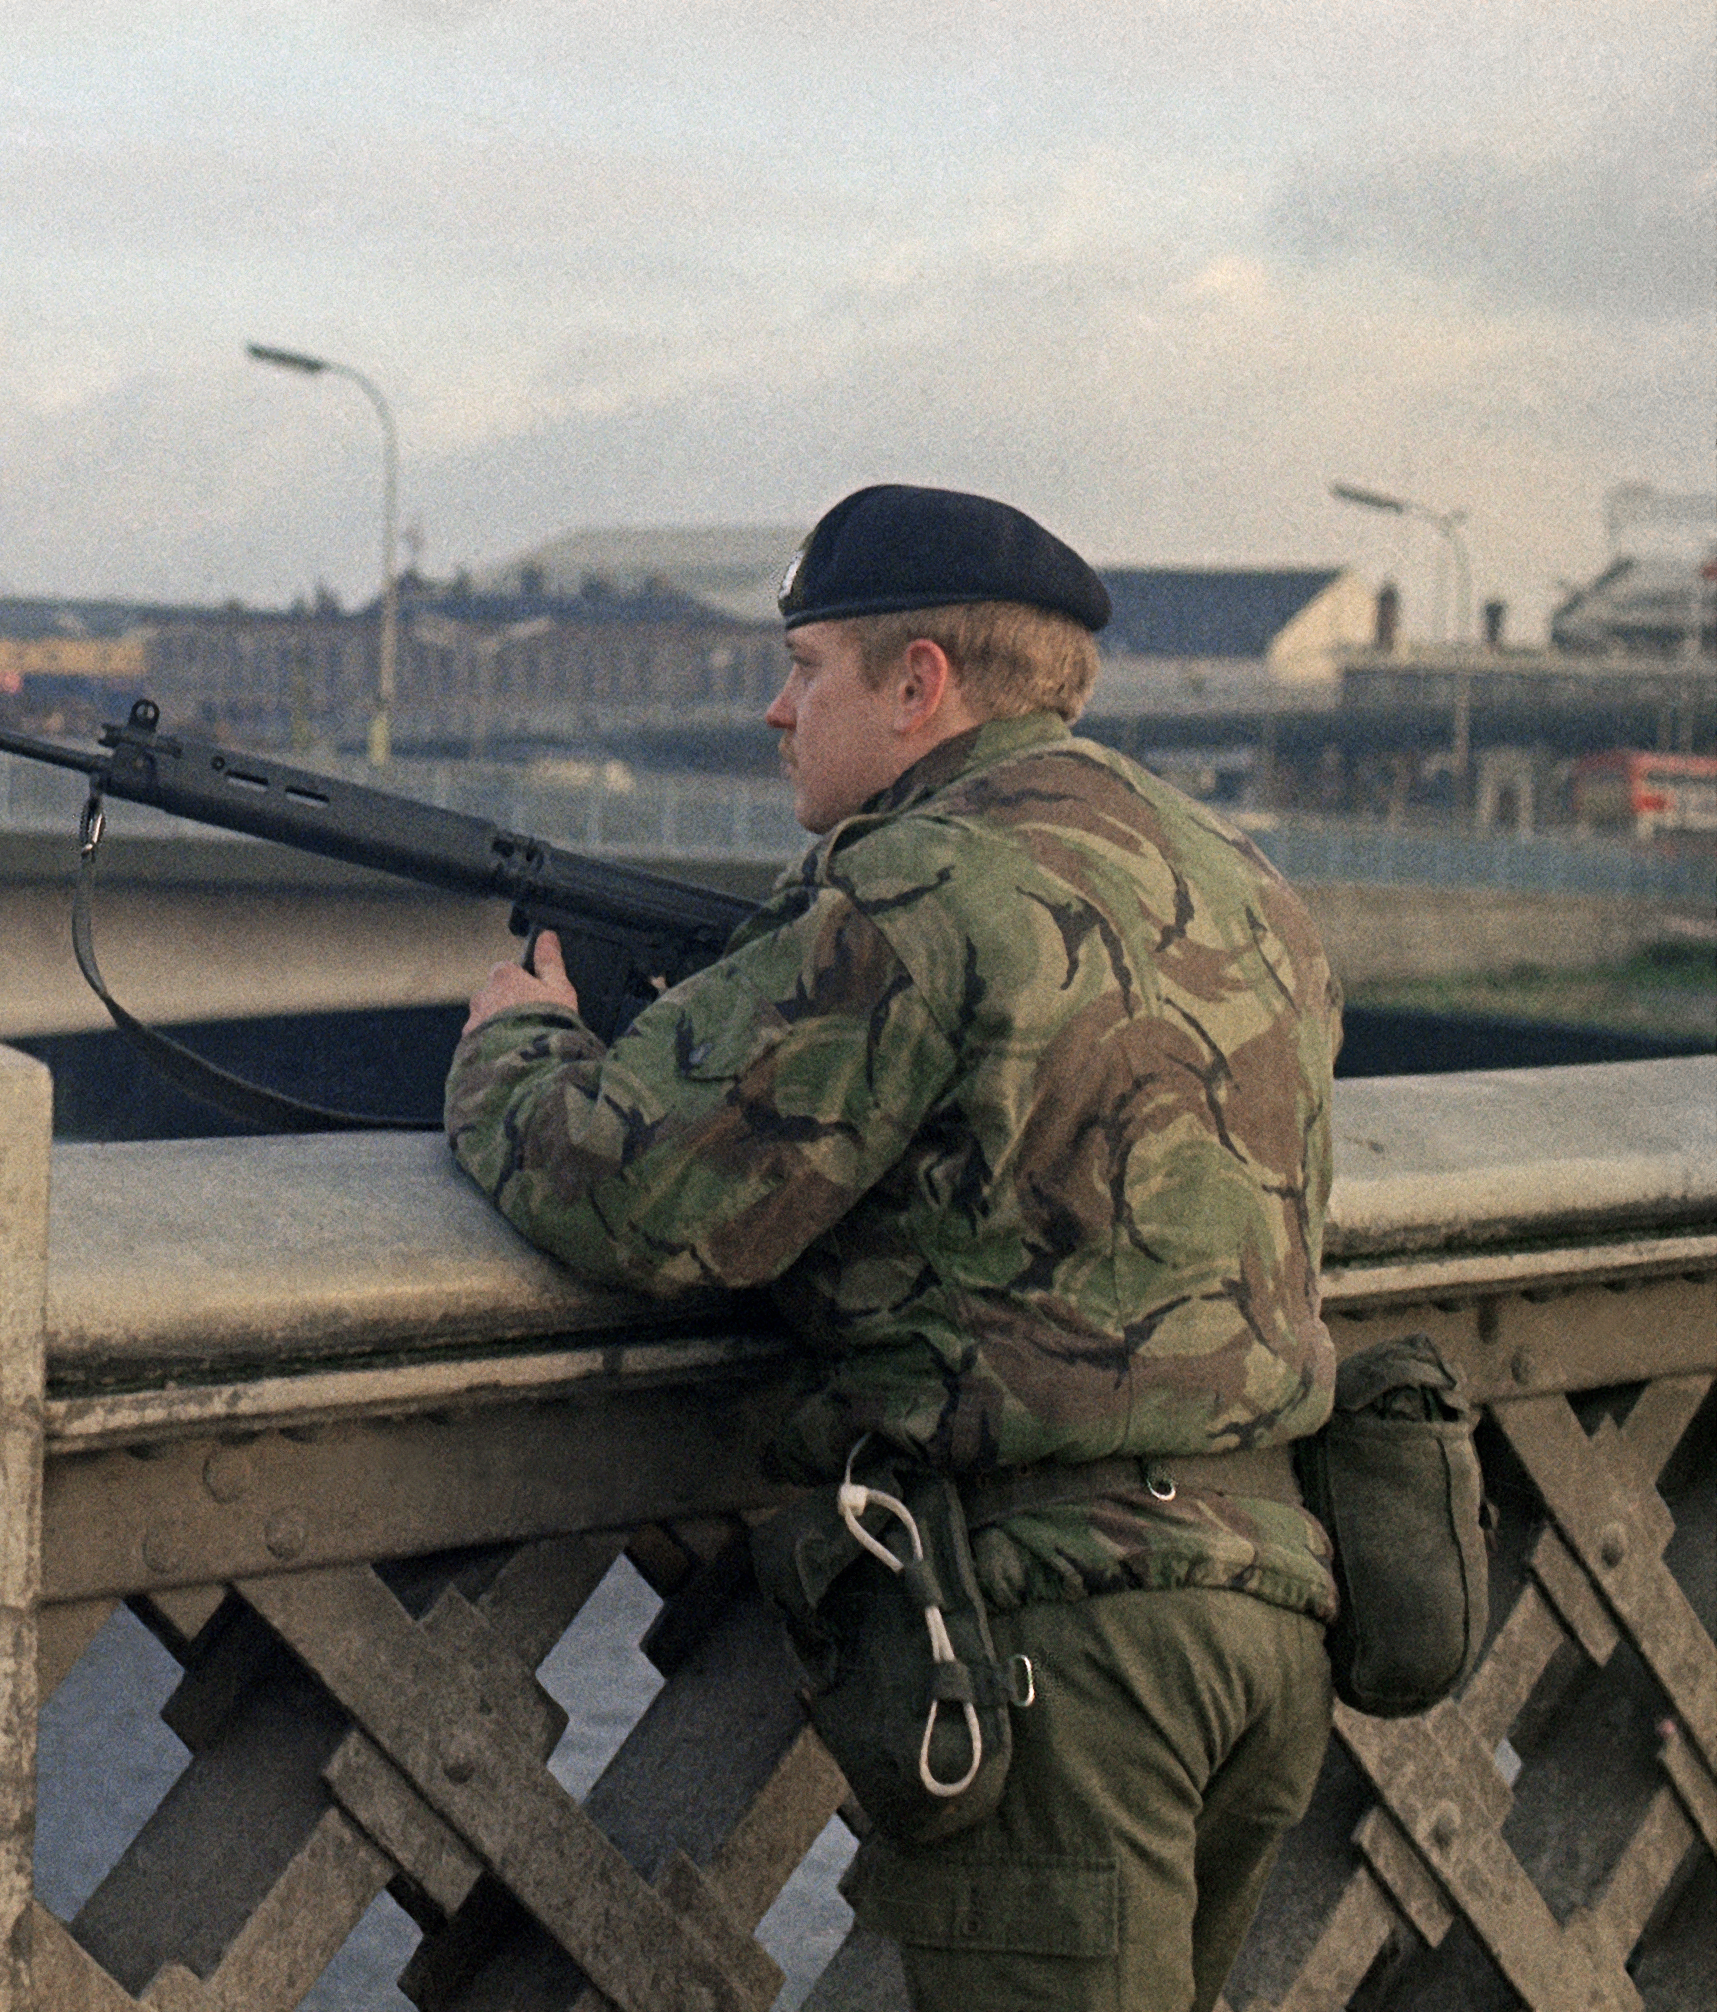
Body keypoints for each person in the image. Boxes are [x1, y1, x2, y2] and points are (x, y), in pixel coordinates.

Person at [446, 485, 1341, 2012]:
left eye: (807, 668)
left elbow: (635, 1200)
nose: (779, 712)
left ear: (918, 682)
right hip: (1269, 1602)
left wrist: (513, 1050)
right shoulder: (1234, 872)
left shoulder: (923, 882)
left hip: (1066, 1640)